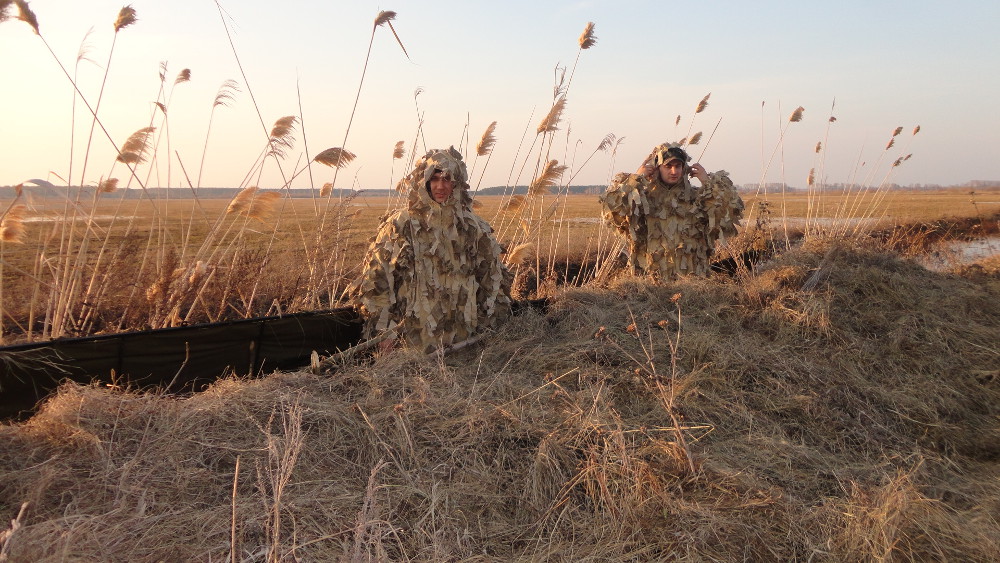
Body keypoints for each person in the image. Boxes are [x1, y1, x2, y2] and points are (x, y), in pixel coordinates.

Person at [351, 147, 513, 353]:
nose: (440, 186)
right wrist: (384, 332)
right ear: (424, 181)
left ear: (457, 183)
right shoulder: (402, 225)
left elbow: (492, 281)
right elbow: (378, 280)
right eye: (434, 179)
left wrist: (491, 328)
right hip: (412, 344)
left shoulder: (474, 228)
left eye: (447, 179)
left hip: (463, 343)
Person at [600, 142, 744, 279]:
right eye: (668, 166)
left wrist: (707, 182)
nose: (674, 171)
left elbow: (728, 213)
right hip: (651, 281)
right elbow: (614, 211)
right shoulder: (643, 199)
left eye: (678, 166)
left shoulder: (696, 198)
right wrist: (636, 179)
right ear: (657, 168)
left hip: (691, 281)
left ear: (684, 168)